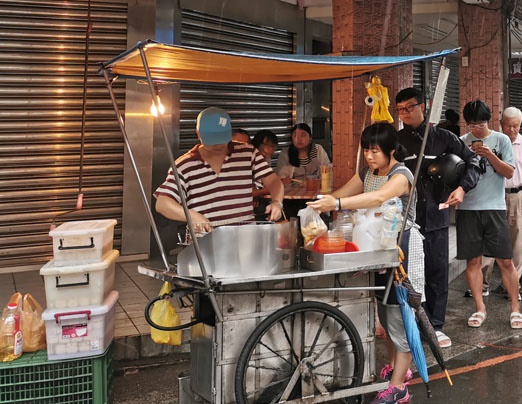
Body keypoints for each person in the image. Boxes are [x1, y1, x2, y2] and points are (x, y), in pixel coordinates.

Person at [307, 123, 421, 404]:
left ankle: (398, 388)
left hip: (401, 248)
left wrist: (337, 204)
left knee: (398, 312)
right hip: (375, 248)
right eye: (367, 150)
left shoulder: (401, 175)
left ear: (391, 151)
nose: (369, 156)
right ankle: (398, 369)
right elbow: (344, 194)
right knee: (384, 311)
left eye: (375, 151)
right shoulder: (369, 172)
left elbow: (378, 197)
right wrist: (323, 202)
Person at [394, 87, 483, 349]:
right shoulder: (396, 140)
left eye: (410, 107)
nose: (405, 113)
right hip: (404, 219)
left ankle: (435, 325)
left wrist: (462, 188)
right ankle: (408, 324)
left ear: (425, 106)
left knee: (436, 270)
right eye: (400, 110)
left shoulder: (444, 137)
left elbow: (474, 161)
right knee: (405, 273)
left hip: (436, 214)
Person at [447, 99, 522, 331]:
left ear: (488, 121)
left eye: (480, 124)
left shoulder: (501, 140)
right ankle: (480, 308)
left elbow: (509, 173)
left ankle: (515, 309)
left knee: (505, 260)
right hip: (468, 209)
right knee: (473, 261)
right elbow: (455, 175)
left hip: (495, 207)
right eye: (471, 125)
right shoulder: (461, 142)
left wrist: (489, 155)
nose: (476, 129)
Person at [155, 107, 284, 233]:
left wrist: (277, 202)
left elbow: (273, 181)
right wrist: (190, 215)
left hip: (245, 238)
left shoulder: (248, 153)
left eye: (221, 139)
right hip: (206, 243)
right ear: (198, 133)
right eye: (212, 140)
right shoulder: (185, 164)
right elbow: (163, 203)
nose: (217, 145)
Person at [480, 107, 522, 286]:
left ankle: (511, 285)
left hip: (519, 195)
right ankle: (482, 284)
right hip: (493, 195)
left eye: (516, 126)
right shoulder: (492, 143)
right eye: (508, 126)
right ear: (500, 124)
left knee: (518, 243)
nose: (512, 130)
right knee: (489, 239)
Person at [276, 122, 332, 187]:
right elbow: (280, 176)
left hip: (315, 188)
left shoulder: (318, 149)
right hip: (293, 191)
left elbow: (326, 170)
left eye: (303, 135)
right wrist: (283, 180)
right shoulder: (285, 153)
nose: (299, 139)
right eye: (295, 136)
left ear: (310, 138)